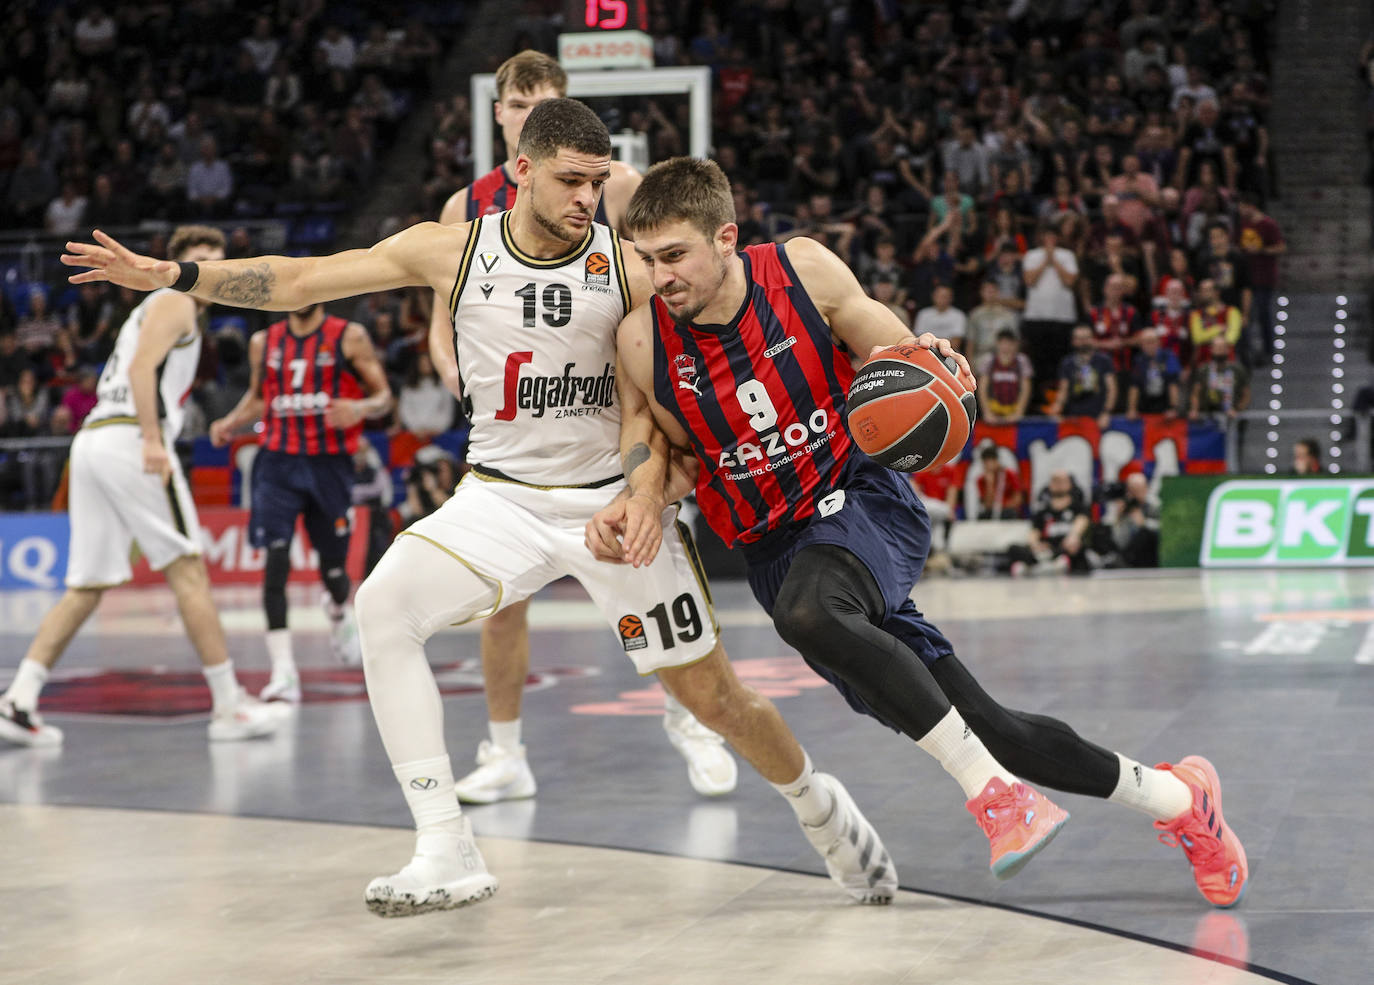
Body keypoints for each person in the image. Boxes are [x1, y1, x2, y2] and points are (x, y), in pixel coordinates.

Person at [64, 99, 896, 914]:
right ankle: (444, 844)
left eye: (597, 183)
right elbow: (305, 278)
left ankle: (819, 808)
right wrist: (178, 276)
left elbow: (677, 370)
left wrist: (663, 483)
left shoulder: (634, 263)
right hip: (497, 497)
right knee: (383, 606)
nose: (586, 198)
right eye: (571, 180)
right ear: (522, 170)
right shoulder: (452, 251)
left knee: (715, 700)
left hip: (611, 507)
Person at [597, 156, 1247, 906]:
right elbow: (654, 444)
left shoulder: (800, 270)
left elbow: (890, 345)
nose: (658, 275)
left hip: (863, 500)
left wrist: (927, 357)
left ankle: (995, 800)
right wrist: (641, 498)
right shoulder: (644, 339)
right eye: (645, 259)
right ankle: (1179, 799)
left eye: (674, 255)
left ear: (726, 237)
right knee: (990, 726)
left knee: (812, 612)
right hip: (775, 546)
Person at [426, 52, 727, 803]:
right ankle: (504, 753)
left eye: (549, 99)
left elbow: (665, 277)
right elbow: (441, 323)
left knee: (653, 579)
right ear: (498, 113)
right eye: (521, 100)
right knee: (502, 601)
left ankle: (689, 719)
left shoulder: (615, 187)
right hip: (520, 438)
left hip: (612, 418)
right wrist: (458, 373)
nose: (533, 108)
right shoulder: (465, 209)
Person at [3, 226, 281, 747]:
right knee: (189, 569)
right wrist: (153, 442)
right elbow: (140, 369)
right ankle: (228, 706)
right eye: (199, 259)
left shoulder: (165, 309)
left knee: (87, 585)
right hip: (130, 440)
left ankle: (19, 697)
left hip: (97, 442)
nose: (210, 269)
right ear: (175, 263)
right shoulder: (176, 299)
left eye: (218, 261)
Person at [209, 302, 394, 703]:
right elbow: (260, 399)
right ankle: (283, 671)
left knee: (333, 570)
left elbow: (383, 398)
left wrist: (359, 407)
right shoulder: (265, 342)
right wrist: (230, 422)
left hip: (329, 465)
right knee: (276, 561)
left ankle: (339, 610)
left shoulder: (349, 336)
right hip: (277, 462)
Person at [1050, 325, 1118, 429]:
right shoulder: (1067, 363)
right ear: (1073, 341)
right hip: (1074, 416)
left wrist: (1106, 412)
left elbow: (1112, 389)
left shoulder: (1104, 360)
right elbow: (1063, 389)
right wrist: (1057, 408)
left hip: (1098, 416)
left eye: (1086, 338)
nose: (1083, 342)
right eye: (1079, 338)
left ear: (1093, 339)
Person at [975, 328, 1033, 425]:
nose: (1006, 347)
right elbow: (982, 388)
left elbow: (1026, 389)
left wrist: (1019, 412)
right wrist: (987, 413)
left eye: (1009, 344)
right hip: (993, 408)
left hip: (1014, 409)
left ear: (1016, 345)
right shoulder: (988, 360)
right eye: (1003, 343)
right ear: (997, 344)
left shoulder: (1022, 361)